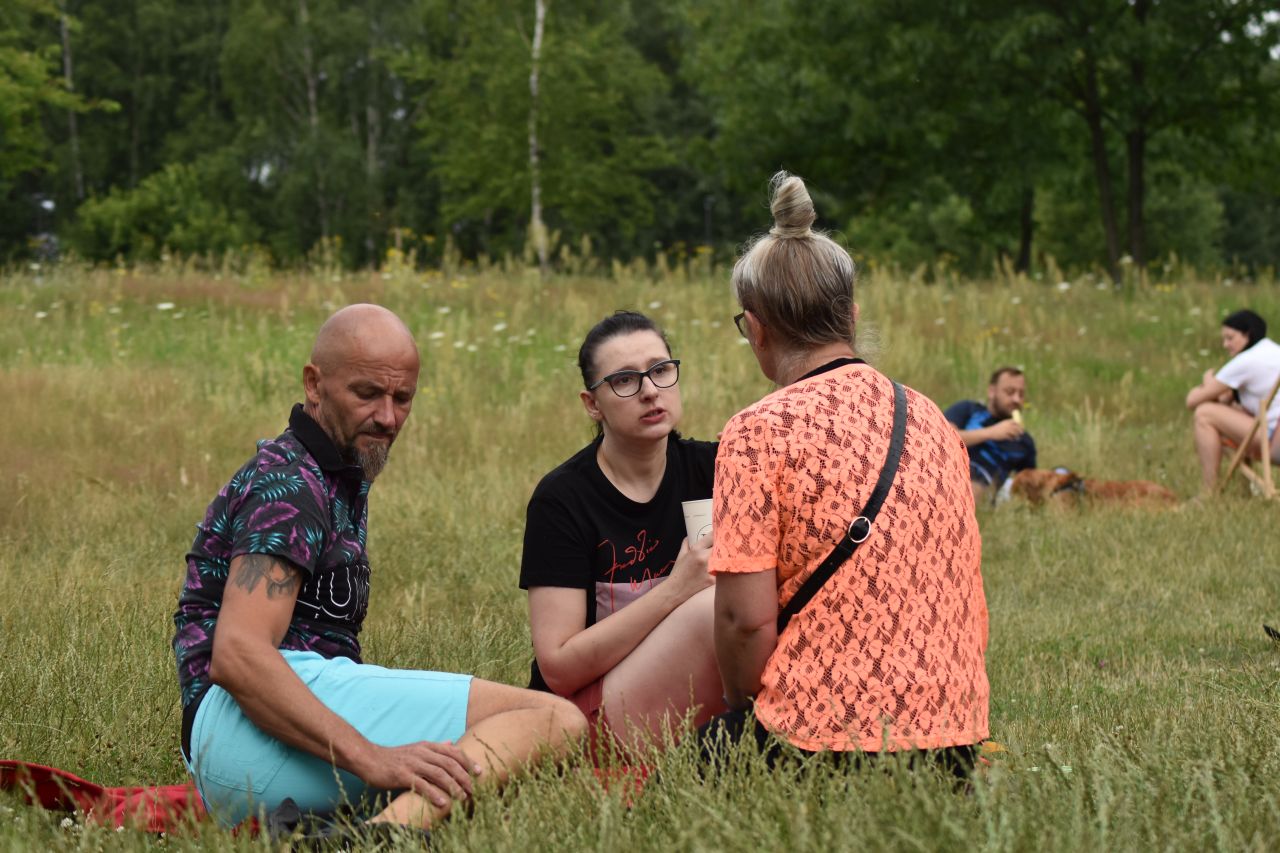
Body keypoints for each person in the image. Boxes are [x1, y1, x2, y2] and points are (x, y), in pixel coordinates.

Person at [172, 304, 586, 832]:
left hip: (248, 753)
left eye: (402, 398)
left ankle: (356, 835)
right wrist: (372, 758)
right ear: (314, 385)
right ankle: (386, 838)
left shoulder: (337, 472)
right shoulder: (290, 485)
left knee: (509, 758)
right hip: (238, 730)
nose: (388, 417)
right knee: (551, 719)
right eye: (367, 394)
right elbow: (238, 655)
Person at [704, 172, 989, 770]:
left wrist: (737, 710)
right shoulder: (934, 420)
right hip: (953, 739)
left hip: (819, 739)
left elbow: (743, 621)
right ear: (851, 318)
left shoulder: (757, 432)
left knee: (683, 774)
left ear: (755, 328)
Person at [519, 311, 724, 753]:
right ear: (592, 404)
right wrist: (675, 590)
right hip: (582, 714)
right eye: (625, 380)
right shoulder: (562, 500)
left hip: (684, 686)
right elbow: (558, 668)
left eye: (660, 370)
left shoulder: (718, 468)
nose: (650, 390)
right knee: (710, 608)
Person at [1185, 309, 1280, 493]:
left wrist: (1208, 381)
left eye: (1230, 338)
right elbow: (1227, 399)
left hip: (1275, 442)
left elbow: (1192, 401)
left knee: (1204, 413)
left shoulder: (1247, 360)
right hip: (1272, 431)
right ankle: (1246, 489)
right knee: (1235, 409)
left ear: (1248, 335)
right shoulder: (1274, 351)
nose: (1225, 344)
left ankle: (1209, 491)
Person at [944, 367, 1036, 503]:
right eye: (1010, 392)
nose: (1016, 399)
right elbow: (943, 438)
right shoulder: (968, 409)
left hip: (984, 483)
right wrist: (991, 433)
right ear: (992, 391)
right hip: (948, 465)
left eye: (1021, 394)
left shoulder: (1023, 440)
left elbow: (1029, 485)